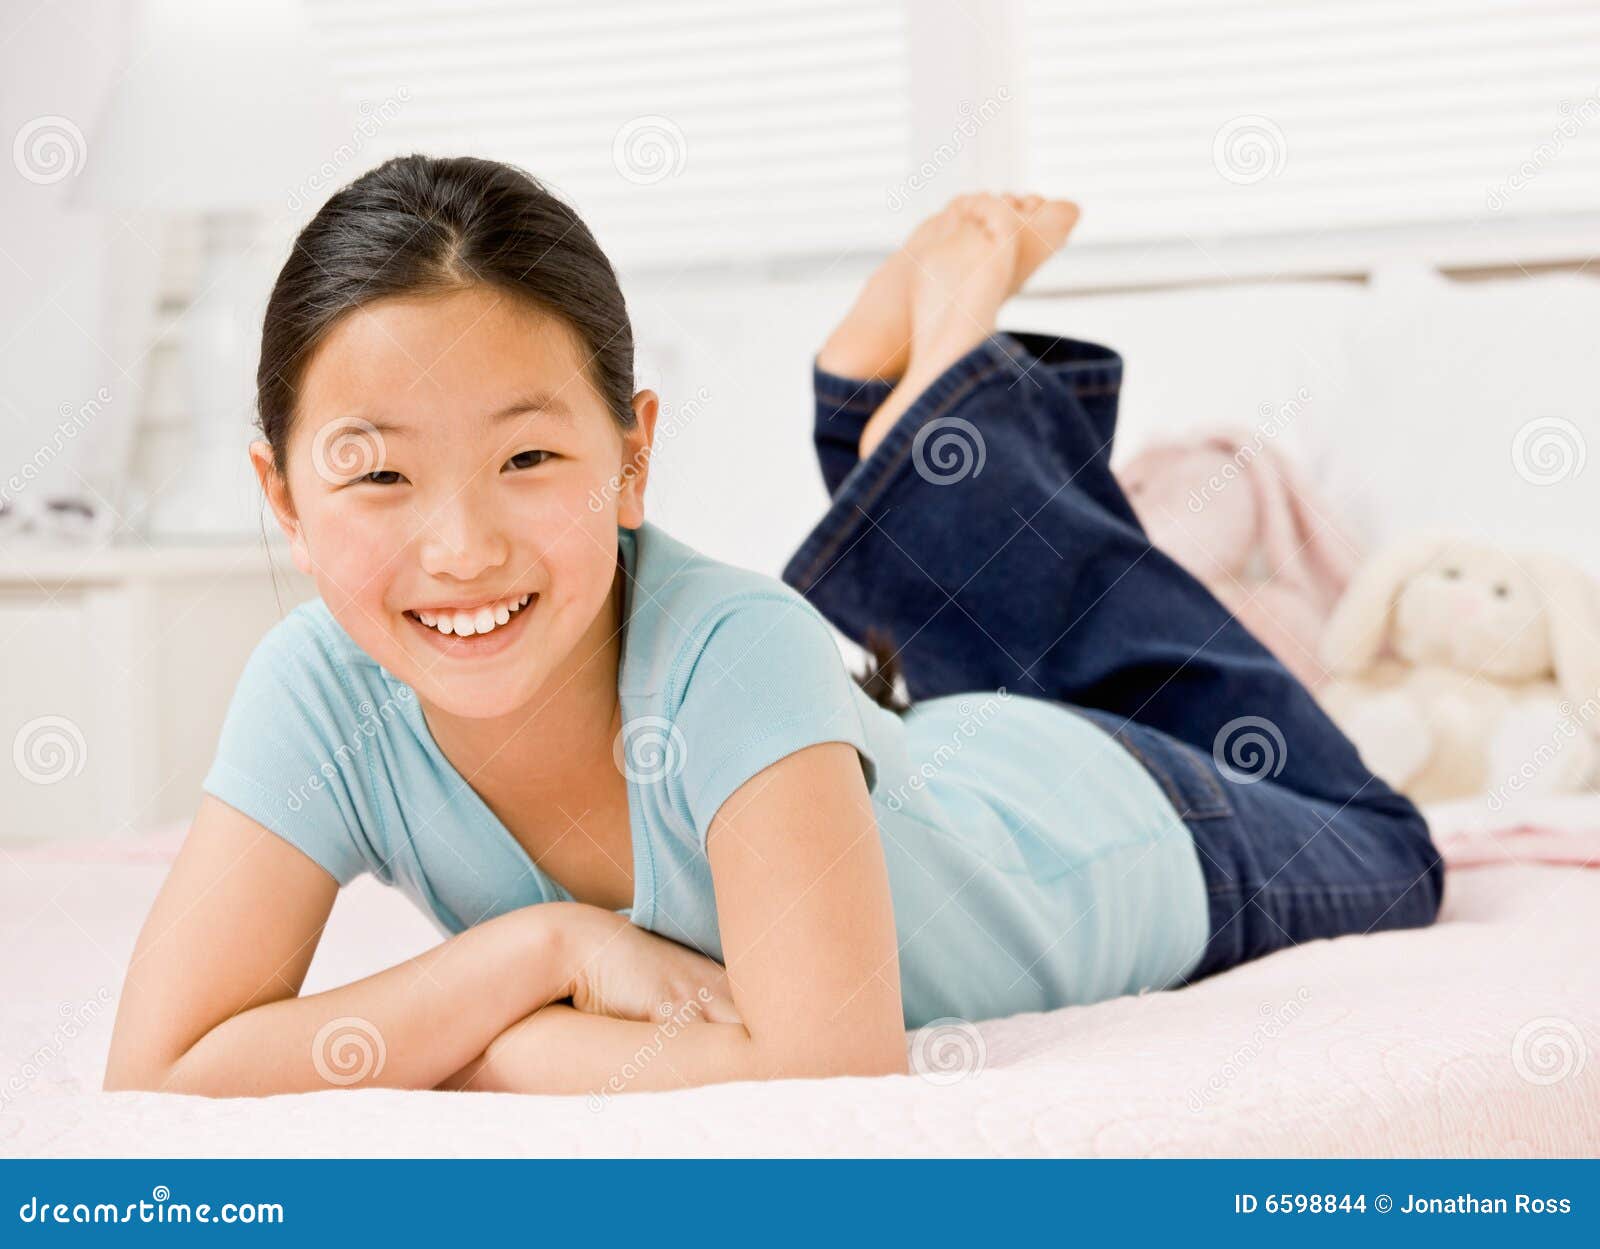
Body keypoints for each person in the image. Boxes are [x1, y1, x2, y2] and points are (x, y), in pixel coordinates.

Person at [103, 155, 1443, 1098]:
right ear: (283, 496)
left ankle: (945, 400)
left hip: (1129, 824)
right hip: (934, 757)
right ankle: (916, 415)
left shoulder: (737, 648)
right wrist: (538, 951)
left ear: (633, 461)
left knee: (1389, 848)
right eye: (381, 473)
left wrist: (478, 1037)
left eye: (527, 459)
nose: (459, 550)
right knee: (982, 652)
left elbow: (823, 1070)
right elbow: (162, 1067)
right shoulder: (319, 688)